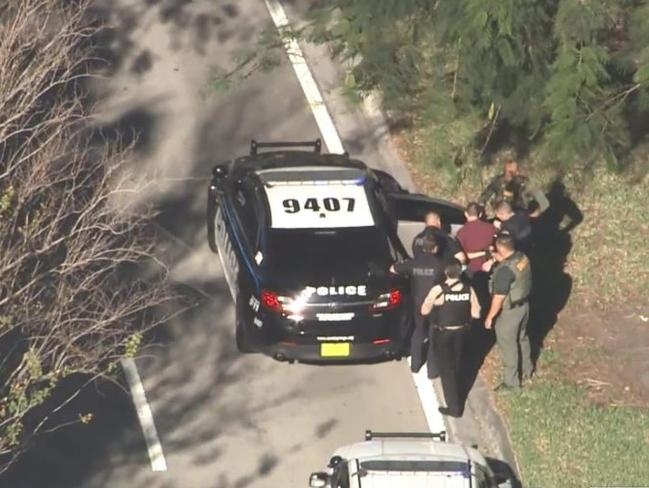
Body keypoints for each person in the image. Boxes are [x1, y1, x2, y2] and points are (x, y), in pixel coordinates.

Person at [421, 259, 481, 417]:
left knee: (447, 371)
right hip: (462, 333)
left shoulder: (438, 290)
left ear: (446, 272)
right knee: (457, 363)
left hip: (443, 334)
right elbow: (477, 313)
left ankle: (454, 408)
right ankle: (457, 387)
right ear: (459, 272)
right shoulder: (469, 289)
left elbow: (424, 310)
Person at [482, 233, 533, 390]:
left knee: (508, 345)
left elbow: (498, 298)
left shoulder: (504, 272)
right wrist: (496, 258)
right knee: (522, 338)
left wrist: (490, 317)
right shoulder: (521, 257)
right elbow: (509, 262)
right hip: (524, 307)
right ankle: (527, 369)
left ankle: (511, 382)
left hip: (510, 313)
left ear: (501, 248)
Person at [390, 233, 445, 378]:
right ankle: (432, 371)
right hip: (436, 305)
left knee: (418, 333)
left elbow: (393, 269)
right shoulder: (441, 264)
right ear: (436, 248)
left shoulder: (413, 263)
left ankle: (415, 365)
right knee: (434, 336)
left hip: (417, 304)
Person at [456, 202, 497, 277]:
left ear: (466, 214)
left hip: (471, 271)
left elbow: (463, 256)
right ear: (480, 214)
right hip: (490, 268)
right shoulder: (491, 228)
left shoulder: (461, 233)